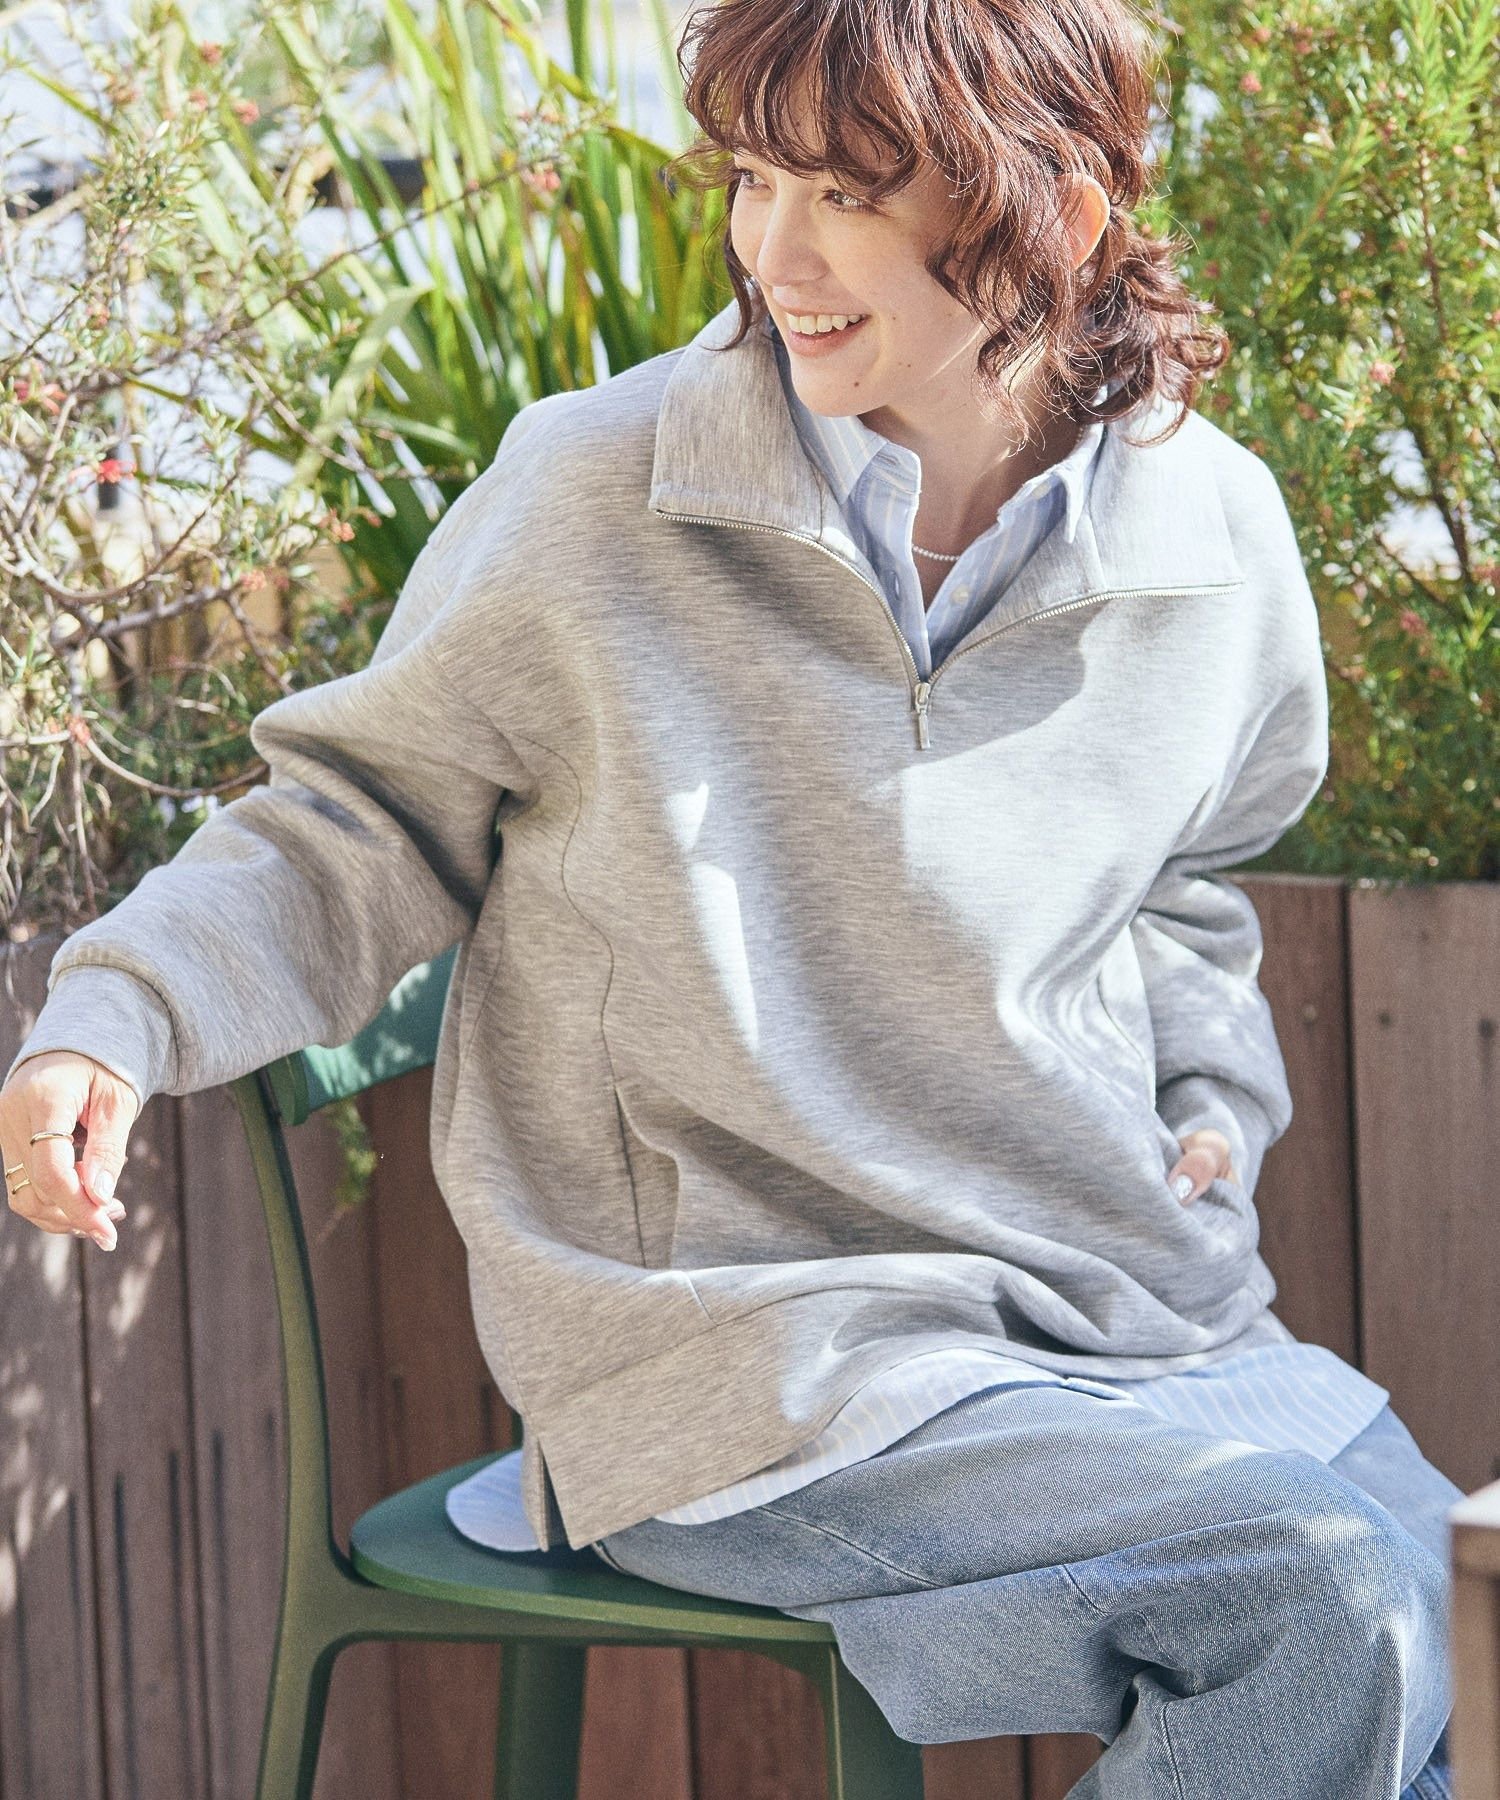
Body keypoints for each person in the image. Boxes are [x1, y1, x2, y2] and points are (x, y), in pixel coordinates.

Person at [0, 0, 1461, 1792]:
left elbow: (1183, 881)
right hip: (739, 1345)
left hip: (1107, 1301)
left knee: (1455, 1614)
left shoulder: (1209, 535)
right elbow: (354, 824)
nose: (776, 251)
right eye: (756, 178)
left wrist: (1209, 1100)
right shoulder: (597, 493)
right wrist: (119, 1015)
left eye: (846, 194)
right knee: (1317, 1602)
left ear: (1058, 220)